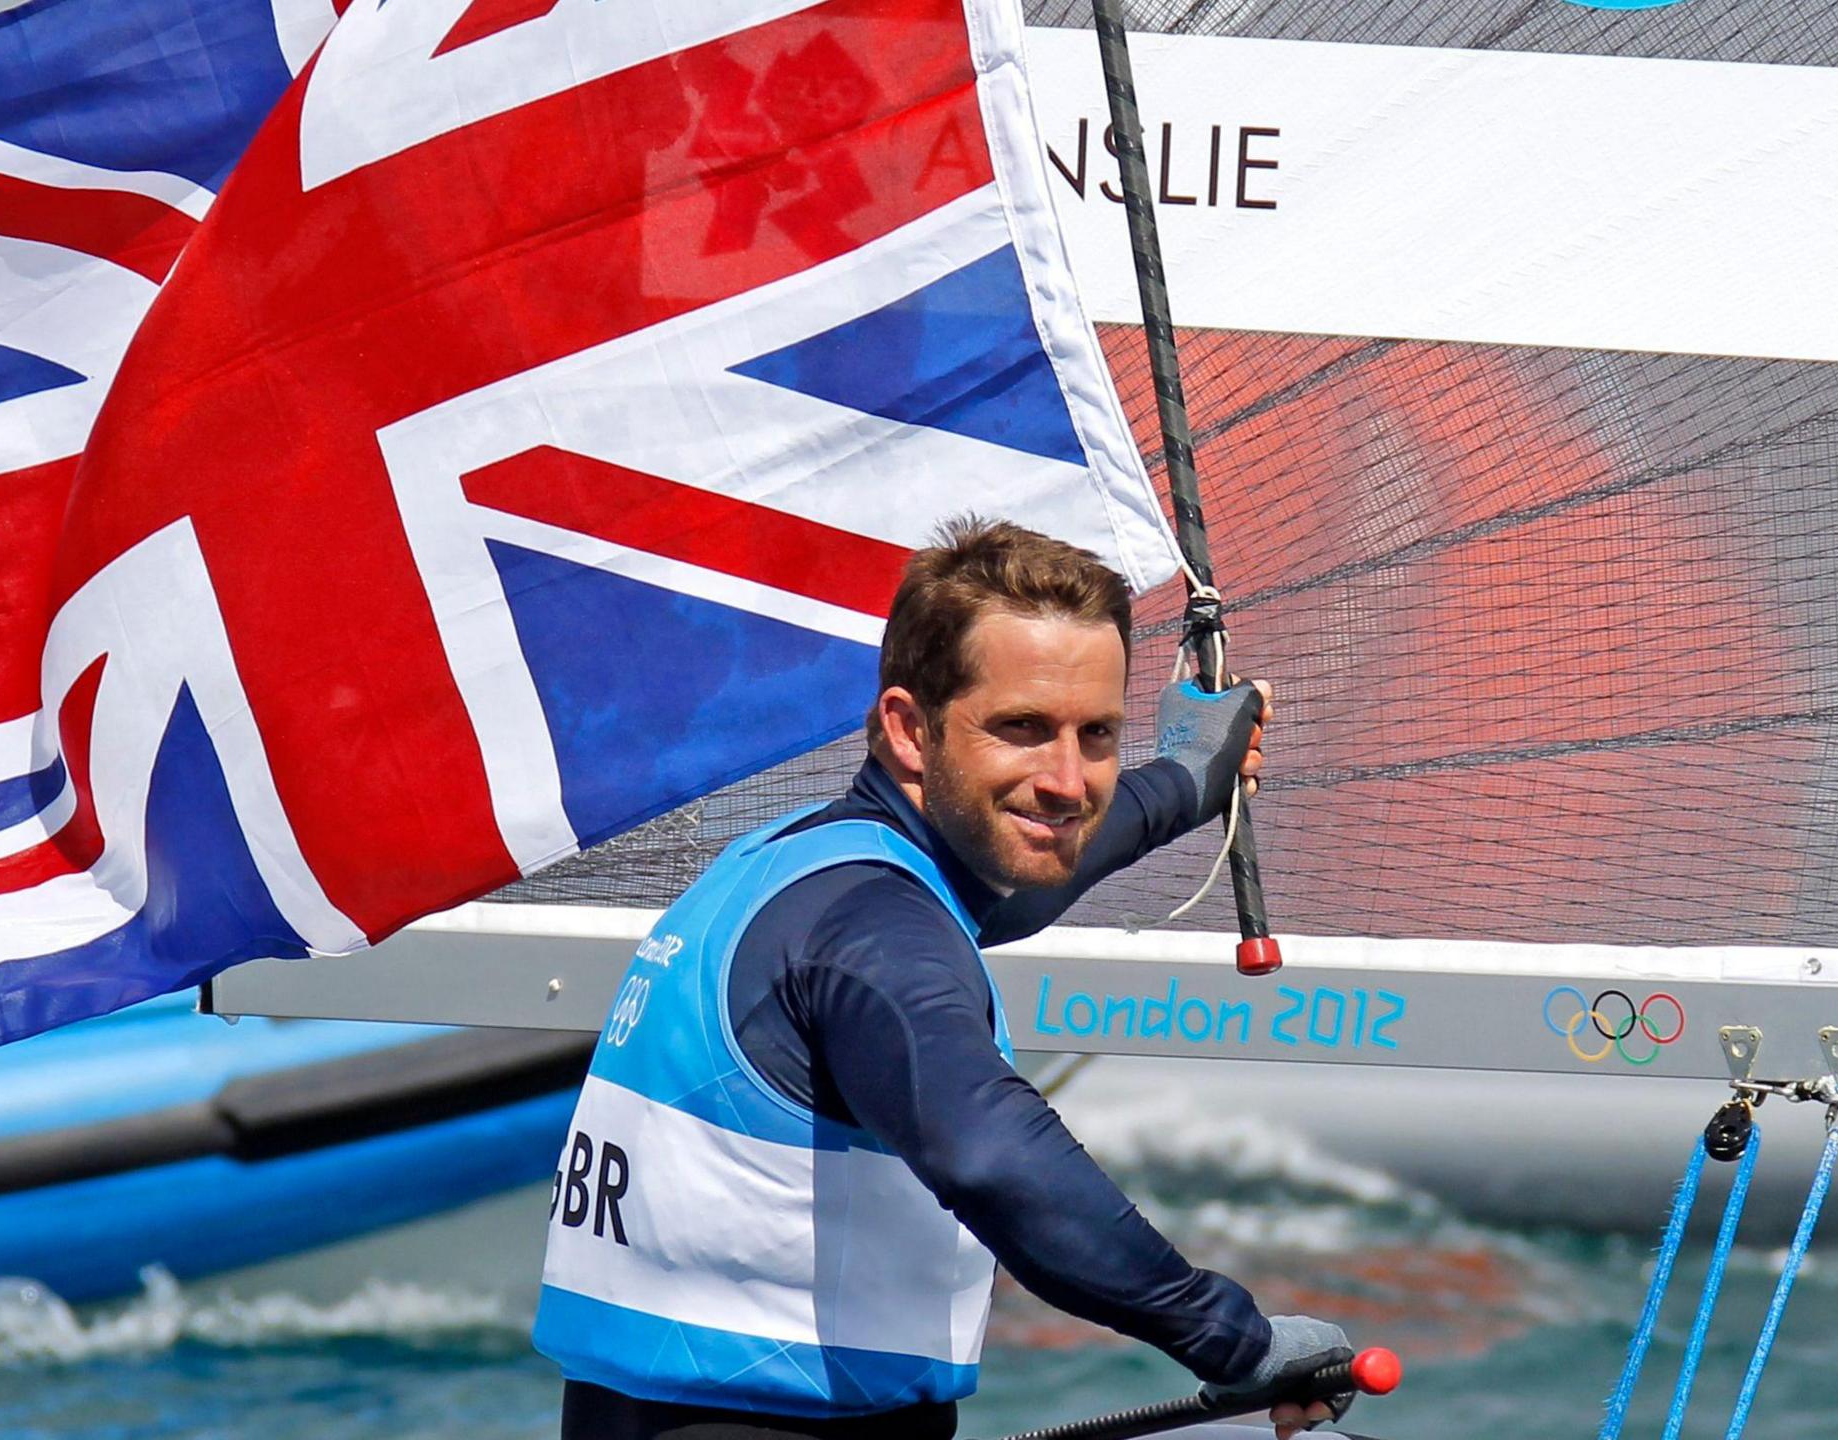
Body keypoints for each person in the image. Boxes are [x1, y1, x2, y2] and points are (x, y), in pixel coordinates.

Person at [536, 518, 1353, 1440]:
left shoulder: (794, 865)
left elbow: (1005, 887)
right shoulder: (874, 936)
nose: (1068, 778)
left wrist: (1185, 780)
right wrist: (1235, 1343)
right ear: (909, 730)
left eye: (1097, 735)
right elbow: (995, 1160)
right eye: (1022, 729)